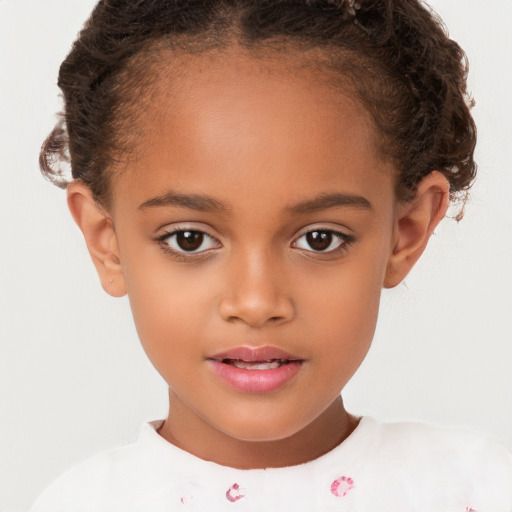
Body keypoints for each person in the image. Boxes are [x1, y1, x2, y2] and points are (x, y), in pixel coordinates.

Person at [29, 0, 512, 510]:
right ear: (106, 240)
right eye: (188, 239)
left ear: (406, 232)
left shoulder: (478, 490)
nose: (257, 303)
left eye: (320, 239)